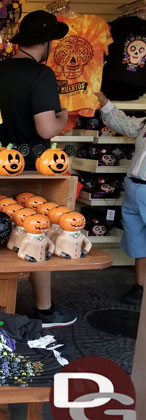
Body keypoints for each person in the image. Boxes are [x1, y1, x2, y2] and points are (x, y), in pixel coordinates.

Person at [0, 10, 77, 328]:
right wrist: (64, 117)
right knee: (40, 231)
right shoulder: (41, 75)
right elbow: (46, 127)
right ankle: (44, 309)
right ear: (46, 42)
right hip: (35, 170)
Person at [95, 91, 146, 305]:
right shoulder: (145, 124)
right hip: (135, 187)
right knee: (138, 241)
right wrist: (105, 103)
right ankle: (141, 286)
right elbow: (126, 124)